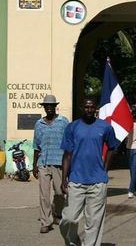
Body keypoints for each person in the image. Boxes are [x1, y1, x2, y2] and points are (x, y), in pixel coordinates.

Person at [59, 97, 119, 246]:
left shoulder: (105, 127)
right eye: (86, 107)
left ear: (96, 108)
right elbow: (67, 155)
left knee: (94, 222)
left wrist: (105, 169)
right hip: (76, 180)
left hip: (98, 182)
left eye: (92, 107)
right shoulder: (72, 127)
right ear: (82, 108)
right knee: (69, 218)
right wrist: (63, 179)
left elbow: (112, 148)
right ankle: (73, 241)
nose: (89, 110)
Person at [32, 94, 69, 234]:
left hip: (59, 162)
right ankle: (46, 221)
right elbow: (36, 145)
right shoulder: (39, 124)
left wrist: (69, 162)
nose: (49, 108)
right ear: (44, 108)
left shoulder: (63, 121)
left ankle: (58, 214)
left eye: (51, 106)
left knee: (59, 192)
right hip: (43, 163)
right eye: (46, 106)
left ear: (55, 107)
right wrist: (35, 165)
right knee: (44, 194)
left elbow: (69, 142)